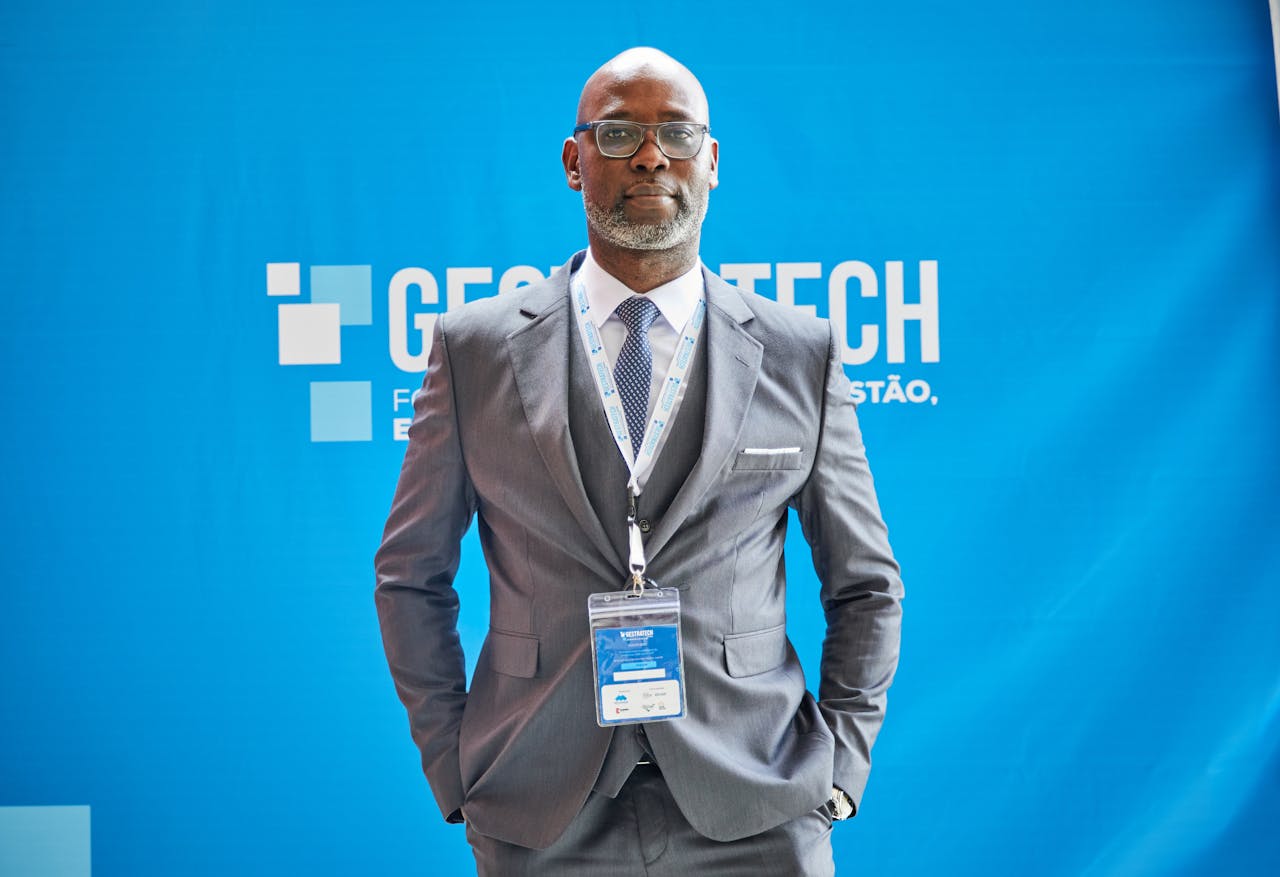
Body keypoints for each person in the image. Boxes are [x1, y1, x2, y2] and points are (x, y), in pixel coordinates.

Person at [375, 47, 903, 876]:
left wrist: (838, 771)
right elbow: (410, 576)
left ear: (713, 162)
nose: (651, 155)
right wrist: (457, 768)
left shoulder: (801, 351)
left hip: (758, 804)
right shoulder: (473, 348)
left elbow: (867, 583)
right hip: (538, 808)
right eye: (617, 133)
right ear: (573, 162)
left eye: (677, 134)